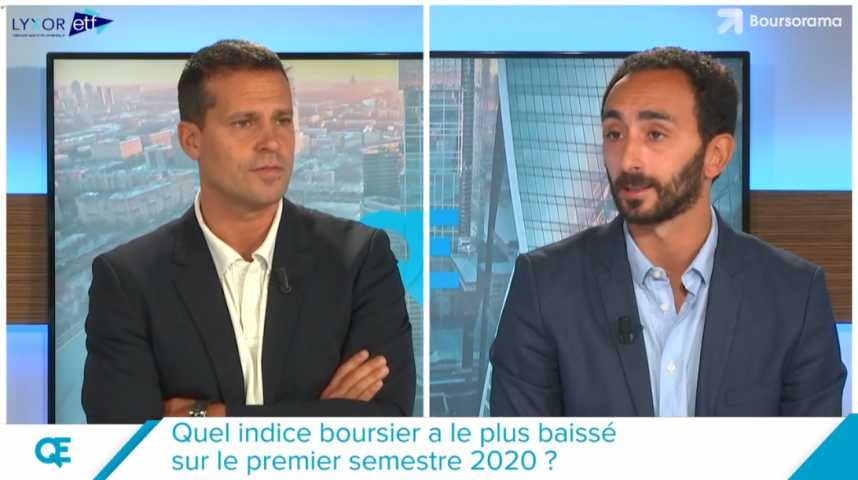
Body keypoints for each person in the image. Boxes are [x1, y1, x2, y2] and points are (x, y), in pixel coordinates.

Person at [490, 47, 846, 417]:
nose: (628, 159)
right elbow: (521, 446)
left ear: (716, 155)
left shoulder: (794, 297)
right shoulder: (544, 287)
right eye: (614, 134)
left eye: (655, 134)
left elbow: (816, 452)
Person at [82, 40, 415, 422]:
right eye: (244, 123)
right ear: (191, 140)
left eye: (282, 120)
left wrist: (207, 417)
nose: (272, 142)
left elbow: (385, 426)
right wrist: (320, 416)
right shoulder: (128, 281)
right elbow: (125, 446)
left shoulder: (359, 260)